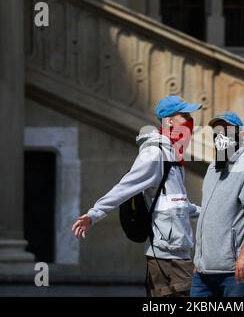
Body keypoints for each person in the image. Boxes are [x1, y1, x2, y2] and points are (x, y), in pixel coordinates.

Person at [71, 95, 202, 297]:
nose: (189, 120)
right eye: (184, 115)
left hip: (177, 252)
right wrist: (94, 214)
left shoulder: (173, 157)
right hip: (166, 256)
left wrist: (212, 212)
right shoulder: (155, 153)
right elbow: (126, 186)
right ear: (168, 121)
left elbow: (178, 205)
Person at [191, 111, 244, 297]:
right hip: (204, 272)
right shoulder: (213, 167)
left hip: (235, 272)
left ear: (240, 134)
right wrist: (199, 259)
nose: (222, 135)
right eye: (217, 130)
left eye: (227, 130)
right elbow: (209, 215)